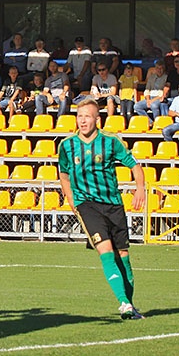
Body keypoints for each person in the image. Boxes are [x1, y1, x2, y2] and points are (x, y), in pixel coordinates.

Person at [58, 98, 147, 319]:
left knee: (123, 255)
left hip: (113, 204)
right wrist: (70, 198)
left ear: (97, 119)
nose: (82, 121)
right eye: (79, 116)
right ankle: (124, 303)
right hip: (86, 205)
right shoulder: (67, 145)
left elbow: (134, 165)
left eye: (87, 116)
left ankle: (130, 304)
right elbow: (64, 174)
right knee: (105, 251)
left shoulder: (111, 142)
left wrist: (140, 189)